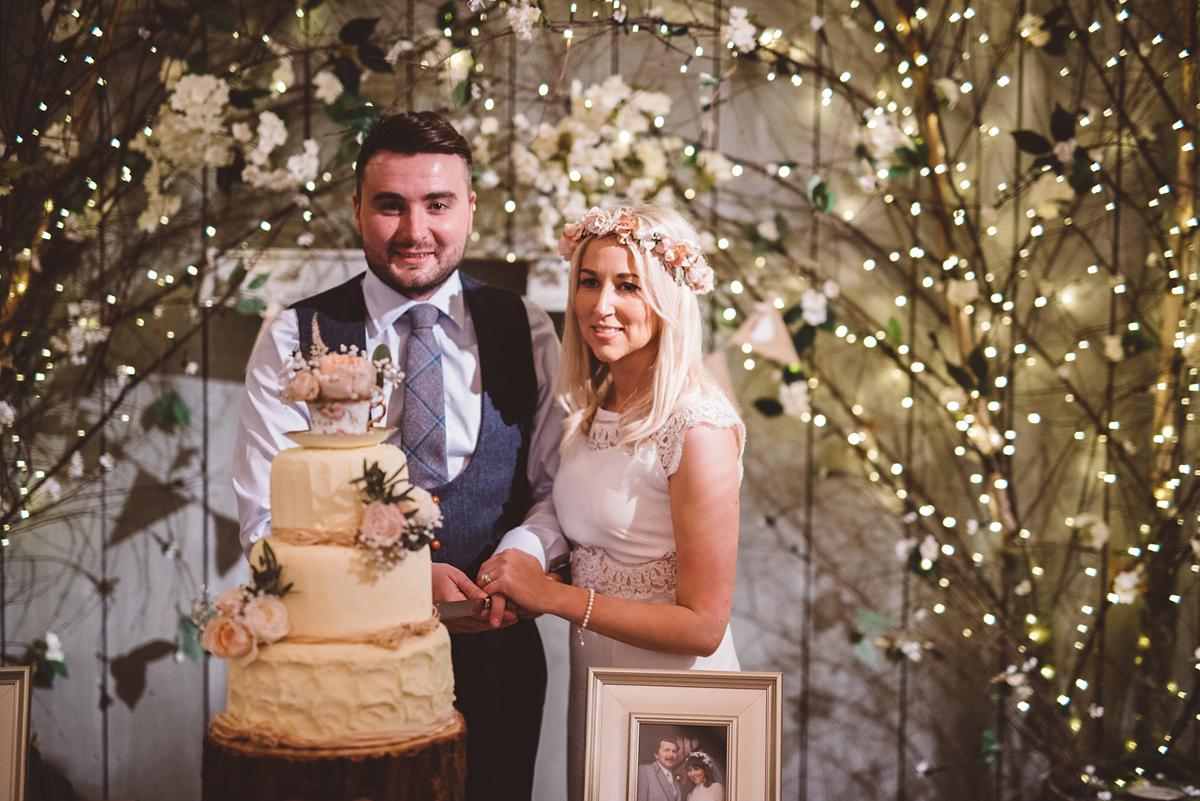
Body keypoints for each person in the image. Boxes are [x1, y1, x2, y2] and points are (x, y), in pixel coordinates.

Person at [231, 111, 566, 801]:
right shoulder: (295, 336)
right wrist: (405, 581)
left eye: (438, 203)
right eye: (391, 204)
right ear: (357, 209)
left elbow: (557, 485)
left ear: (470, 207)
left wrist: (527, 550)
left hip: (499, 658)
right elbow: (267, 523)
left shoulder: (526, 327)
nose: (416, 231)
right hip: (346, 669)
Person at [477, 202, 744, 800]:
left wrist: (552, 596)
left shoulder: (696, 428)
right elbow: (571, 518)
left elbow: (704, 625)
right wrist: (522, 557)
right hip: (599, 683)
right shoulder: (599, 407)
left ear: (669, 298)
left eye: (628, 285)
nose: (601, 306)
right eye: (589, 282)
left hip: (676, 700)